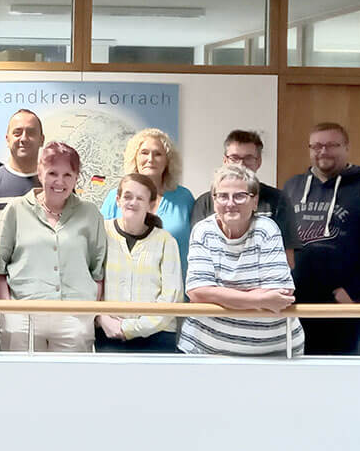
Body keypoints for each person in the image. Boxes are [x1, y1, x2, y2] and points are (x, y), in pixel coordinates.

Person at [0, 142, 107, 352]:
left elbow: (97, 271)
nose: (59, 181)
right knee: (23, 383)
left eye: (67, 175)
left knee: (70, 383)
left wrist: (90, 312)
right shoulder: (16, 210)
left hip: (75, 317)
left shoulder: (90, 214)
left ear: (76, 177)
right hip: (24, 315)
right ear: (39, 172)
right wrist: (9, 311)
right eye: (52, 173)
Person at [180, 164, 304, 356]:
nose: (230, 203)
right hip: (207, 350)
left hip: (272, 350)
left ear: (254, 202)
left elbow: (281, 293)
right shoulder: (203, 231)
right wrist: (260, 298)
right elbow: (197, 292)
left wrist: (219, 293)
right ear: (214, 201)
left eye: (239, 196)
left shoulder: (267, 229)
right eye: (222, 196)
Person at [282, 122, 360, 355]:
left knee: (348, 379)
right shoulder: (292, 187)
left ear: (346, 148)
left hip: (347, 305)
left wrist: (356, 293)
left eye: (331, 145)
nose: (323, 152)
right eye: (316, 146)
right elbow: (281, 241)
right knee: (300, 377)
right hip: (298, 302)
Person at [0, 109, 44, 351]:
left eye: (31, 132)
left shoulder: (55, 184)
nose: (23, 138)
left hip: (44, 300)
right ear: (7, 139)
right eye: (17, 132)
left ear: (42, 139)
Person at [96, 173, 182, 352]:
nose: (133, 202)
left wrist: (130, 328)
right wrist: (101, 318)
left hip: (157, 336)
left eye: (140, 198)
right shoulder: (101, 233)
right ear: (118, 200)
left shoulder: (166, 241)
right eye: (127, 196)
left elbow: (172, 296)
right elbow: (89, 282)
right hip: (110, 332)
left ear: (151, 205)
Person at [190, 130, 298, 268]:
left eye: (248, 158)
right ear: (225, 160)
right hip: (218, 285)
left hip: (262, 285)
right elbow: (199, 260)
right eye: (234, 158)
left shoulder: (277, 200)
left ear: (258, 161)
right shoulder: (204, 203)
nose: (241, 164)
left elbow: (287, 262)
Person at [101, 128, 195, 275]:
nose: (150, 159)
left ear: (168, 161)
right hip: (123, 290)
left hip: (175, 290)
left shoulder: (184, 198)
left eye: (158, 154)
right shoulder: (115, 198)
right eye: (144, 153)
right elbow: (99, 246)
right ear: (135, 158)